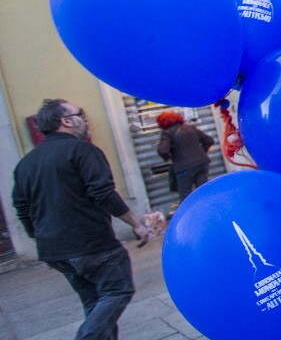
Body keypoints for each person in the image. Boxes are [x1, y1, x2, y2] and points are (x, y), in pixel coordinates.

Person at [12, 99, 149, 340]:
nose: (85, 119)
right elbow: (103, 193)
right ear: (66, 121)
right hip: (91, 244)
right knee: (118, 290)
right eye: (80, 113)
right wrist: (136, 224)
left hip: (55, 250)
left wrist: (41, 236)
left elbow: (22, 208)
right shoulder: (83, 150)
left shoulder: (25, 164)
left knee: (94, 303)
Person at [156, 111, 214, 202]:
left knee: (185, 197)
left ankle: (191, 215)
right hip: (202, 163)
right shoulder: (191, 128)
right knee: (204, 191)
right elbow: (209, 140)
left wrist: (168, 157)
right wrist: (202, 152)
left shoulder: (167, 133)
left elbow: (162, 150)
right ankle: (210, 212)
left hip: (183, 168)